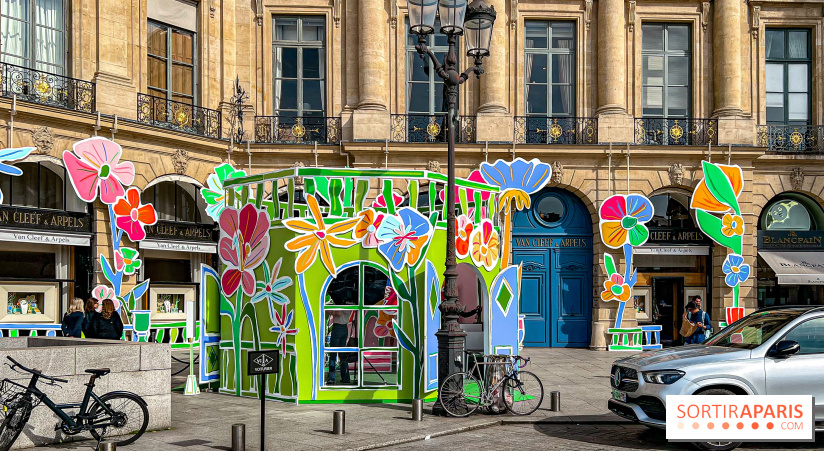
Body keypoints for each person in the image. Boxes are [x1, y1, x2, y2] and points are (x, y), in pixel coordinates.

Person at [326, 310, 352, 385]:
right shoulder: (349, 302)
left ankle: (331, 378)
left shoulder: (339, 301)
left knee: (333, 353)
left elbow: (338, 313)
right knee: (342, 354)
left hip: (337, 327)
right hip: (345, 327)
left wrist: (330, 311)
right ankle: (345, 377)